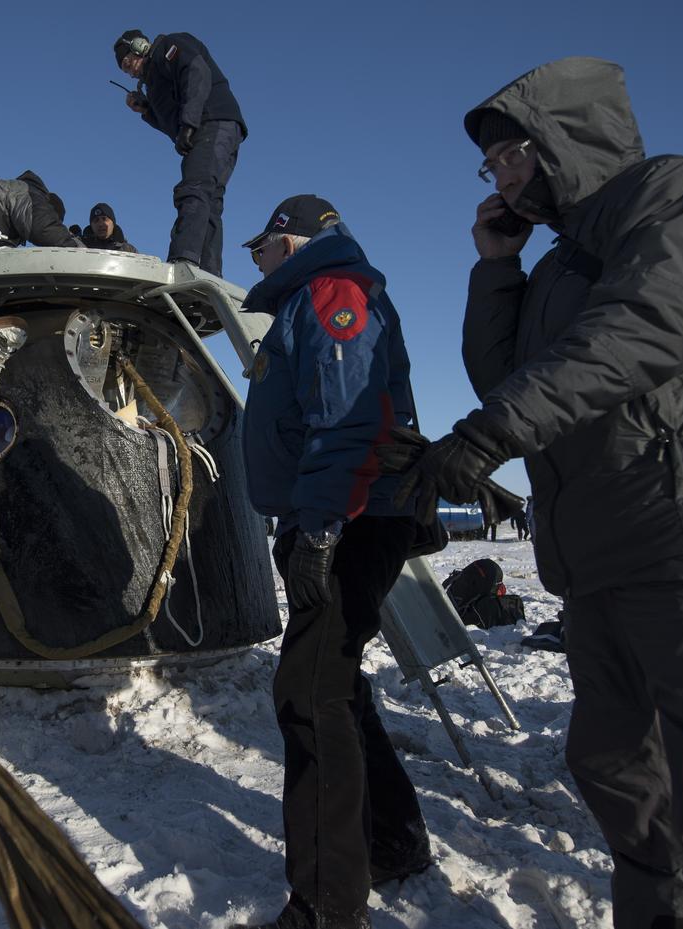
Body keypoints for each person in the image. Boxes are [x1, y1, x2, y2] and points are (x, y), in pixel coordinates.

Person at [387, 57, 683, 926]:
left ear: (563, 140)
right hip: (597, 559)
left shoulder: (671, 193)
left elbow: (649, 322)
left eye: (510, 158)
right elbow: (506, 374)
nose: (500, 178)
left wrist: (490, 433)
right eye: (490, 168)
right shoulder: (558, 266)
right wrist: (497, 267)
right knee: (611, 764)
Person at [233, 195, 431, 929]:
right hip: (339, 516)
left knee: (310, 696)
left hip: (346, 519)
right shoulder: (308, 300)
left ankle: (326, 904)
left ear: (296, 241)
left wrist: (319, 529)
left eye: (263, 247)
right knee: (336, 686)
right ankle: (393, 837)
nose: (254, 260)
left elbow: (348, 420)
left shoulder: (332, 292)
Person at [114, 29, 246, 276]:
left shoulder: (169, 47)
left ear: (140, 47)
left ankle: (182, 261)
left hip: (212, 120)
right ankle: (208, 273)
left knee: (193, 190)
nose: (129, 70)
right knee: (210, 200)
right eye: (124, 69)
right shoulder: (154, 83)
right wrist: (146, 111)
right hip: (219, 126)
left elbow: (197, 73)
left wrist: (190, 123)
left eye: (127, 62)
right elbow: (170, 123)